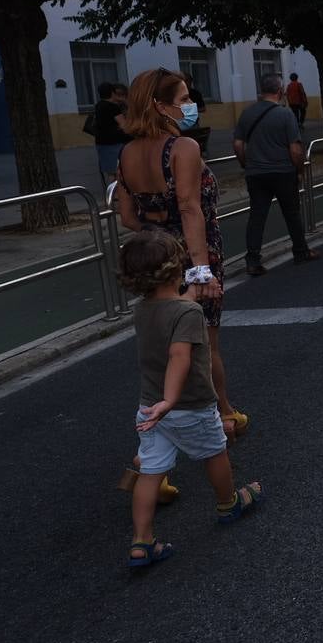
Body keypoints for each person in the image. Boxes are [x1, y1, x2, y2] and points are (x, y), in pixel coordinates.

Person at [115, 68, 247, 443]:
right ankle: (222, 415)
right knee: (205, 343)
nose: (191, 106)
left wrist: (158, 234)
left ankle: (162, 433)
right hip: (194, 254)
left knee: (165, 345)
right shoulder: (183, 148)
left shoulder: (126, 153)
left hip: (158, 257)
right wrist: (201, 269)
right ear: (160, 106)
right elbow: (190, 207)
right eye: (184, 99)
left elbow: (127, 216)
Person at [117, 230, 263, 568]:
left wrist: (195, 295)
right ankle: (229, 503)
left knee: (151, 472)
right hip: (189, 405)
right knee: (215, 452)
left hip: (149, 407)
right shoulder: (189, 315)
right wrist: (171, 399)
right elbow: (179, 355)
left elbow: (173, 309)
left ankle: (141, 541)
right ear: (176, 270)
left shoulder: (143, 310)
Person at [233, 73, 320, 276]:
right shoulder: (285, 114)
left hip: (256, 174)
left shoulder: (247, 113)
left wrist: (247, 164)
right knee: (291, 214)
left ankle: (253, 260)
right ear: (280, 92)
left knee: (257, 216)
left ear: (261, 91)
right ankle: (300, 251)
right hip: (282, 172)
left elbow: (237, 144)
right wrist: (299, 170)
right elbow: (295, 149)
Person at [93, 82, 131, 183]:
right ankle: (116, 195)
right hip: (114, 143)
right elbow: (124, 125)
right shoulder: (112, 107)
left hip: (102, 142)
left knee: (111, 172)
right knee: (117, 171)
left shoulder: (99, 106)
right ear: (112, 93)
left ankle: (112, 195)